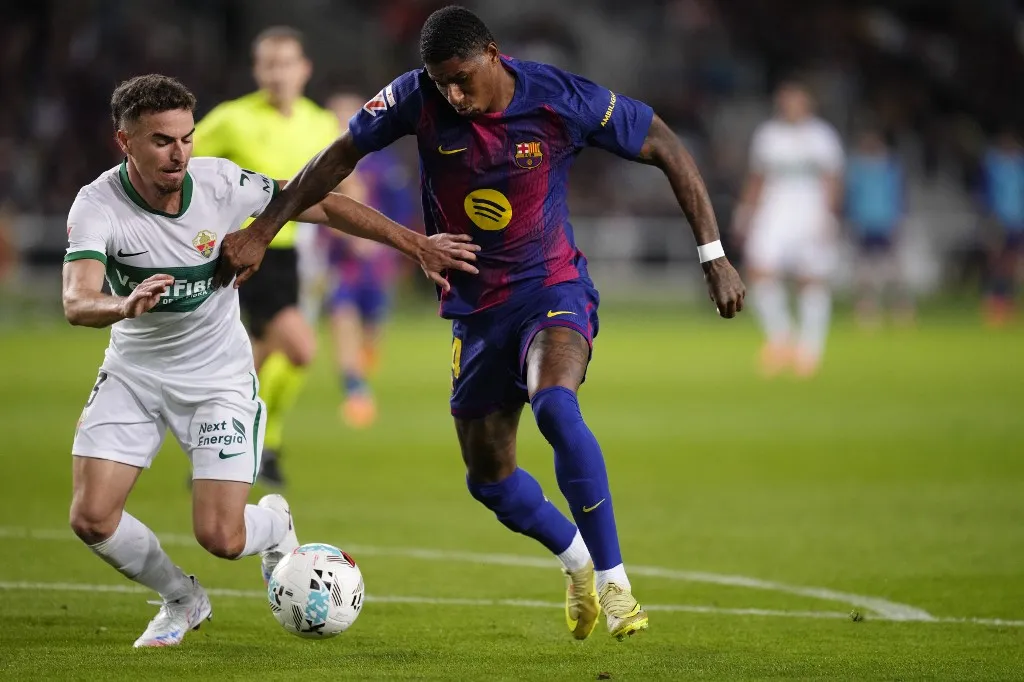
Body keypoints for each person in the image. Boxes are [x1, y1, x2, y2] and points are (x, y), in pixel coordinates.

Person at [216, 5, 745, 641]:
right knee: (489, 479)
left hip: (554, 288)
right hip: (476, 312)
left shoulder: (557, 97)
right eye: (440, 81)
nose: (453, 94)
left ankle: (615, 582)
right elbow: (337, 159)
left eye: (462, 77)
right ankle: (575, 562)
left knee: (555, 403)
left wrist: (711, 255)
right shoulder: (417, 98)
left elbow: (662, 142)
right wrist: (263, 228)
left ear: (492, 53)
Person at [62, 74, 478, 648]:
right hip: (133, 374)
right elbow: (76, 300)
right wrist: (124, 304)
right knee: (91, 518)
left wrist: (417, 243)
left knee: (222, 538)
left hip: (217, 381)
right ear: (124, 142)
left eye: (185, 138)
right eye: (161, 141)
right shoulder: (97, 205)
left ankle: (276, 522)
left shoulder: (220, 183)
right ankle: (181, 599)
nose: (179, 153)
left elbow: (323, 204)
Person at [192, 26, 340, 486]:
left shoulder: (321, 123)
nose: (278, 74)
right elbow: (179, 165)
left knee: (252, 359)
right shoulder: (230, 119)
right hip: (240, 251)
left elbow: (335, 182)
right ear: (258, 70)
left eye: (286, 64)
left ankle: (230, 440)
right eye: (269, 65)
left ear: (304, 69)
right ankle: (252, 439)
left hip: (292, 252)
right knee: (300, 348)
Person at [322, 92, 419, 427]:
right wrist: (338, 238)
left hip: (378, 262)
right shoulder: (322, 165)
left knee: (373, 328)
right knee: (342, 316)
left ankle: (361, 374)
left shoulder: (383, 164)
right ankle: (356, 392)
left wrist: (390, 244)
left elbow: (402, 209)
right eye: (335, 117)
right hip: (342, 263)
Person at [735, 79, 844, 377]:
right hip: (774, 211)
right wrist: (745, 213)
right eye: (785, 100)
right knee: (758, 271)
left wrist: (830, 215)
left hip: (810, 212)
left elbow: (832, 180)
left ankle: (809, 350)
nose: (790, 106)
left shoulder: (822, 136)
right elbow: (757, 178)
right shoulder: (768, 135)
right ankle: (781, 338)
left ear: (807, 103)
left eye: (795, 100)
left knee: (811, 278)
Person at [844, 129, 913, 327]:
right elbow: (851, 197)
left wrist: (898, 220)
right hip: (863, 225)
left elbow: (900, 196)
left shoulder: (891, 167)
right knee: (864, 273)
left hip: (886, 224)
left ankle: (902, 312)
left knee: (894, 272)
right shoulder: (856, 168)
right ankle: (867, 313)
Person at [978, 128, 1024, 327]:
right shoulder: (992, 166)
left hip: (1017, 221)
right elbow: (983, 193)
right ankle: (993, 306)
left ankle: (1009, 306)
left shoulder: (1020, 166)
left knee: (1012, 265)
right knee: (996, 263)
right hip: (996, 221)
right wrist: (989, 216)